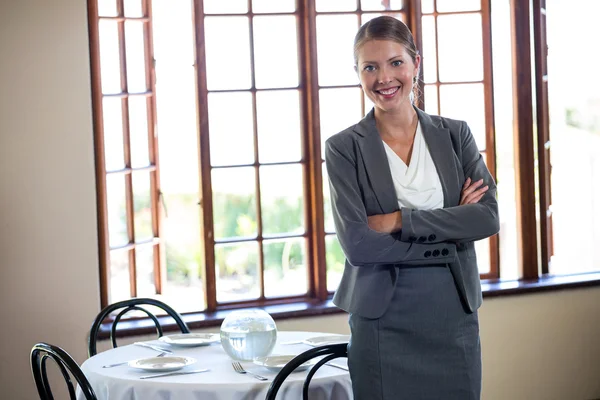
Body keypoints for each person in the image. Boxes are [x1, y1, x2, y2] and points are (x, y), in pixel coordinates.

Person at [324, 16, 500, 400]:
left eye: (395, 62)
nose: (384, 78)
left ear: (415, 64)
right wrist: (453, 227)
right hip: (382, 321)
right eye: (370, 67)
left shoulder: (456, 135)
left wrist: (399, 220)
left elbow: (487, 216)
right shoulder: (343, 148)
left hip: (453, 316)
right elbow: (358, 245)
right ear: (358, 73)